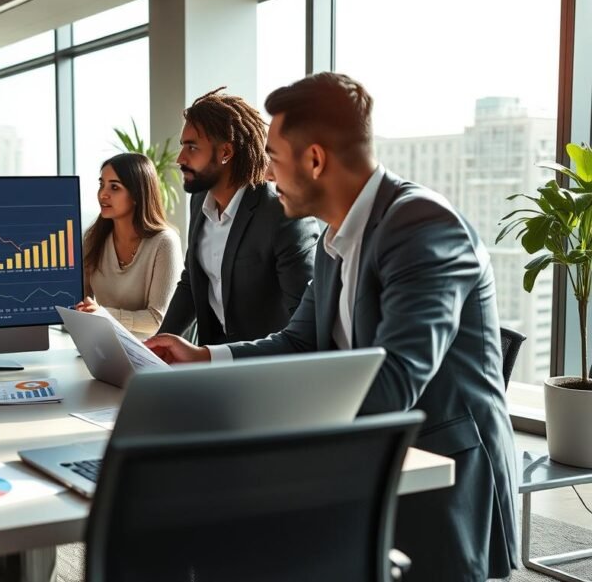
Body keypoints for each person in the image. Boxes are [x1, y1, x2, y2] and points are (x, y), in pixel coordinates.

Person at [147, 73, 518, 581]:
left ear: (315, 160)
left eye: (275, 160)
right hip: (368, 466)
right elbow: (299, 340)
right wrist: (205, 357)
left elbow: (395, 383)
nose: (269, 176)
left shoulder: (423, 226)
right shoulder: (334, 238)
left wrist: (252, 423)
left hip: (438, 480)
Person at [157, 87, 318, 346]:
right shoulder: (199, 200)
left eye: (192, 147)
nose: (180, 159)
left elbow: (304, 317)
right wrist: (156, 348)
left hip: (265, 365)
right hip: (214, 359)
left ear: (225, 153)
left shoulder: (282, 212)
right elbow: (192, 282)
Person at [75, 152, 182, 338]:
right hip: (103, 346)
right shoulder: (93, 238)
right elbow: (79, 301)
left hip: (150, 353)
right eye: (102, 185)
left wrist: (103, 315)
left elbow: (156, 319)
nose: (103, 194)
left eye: (114, 187)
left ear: (136, 194)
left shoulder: (164, 242)